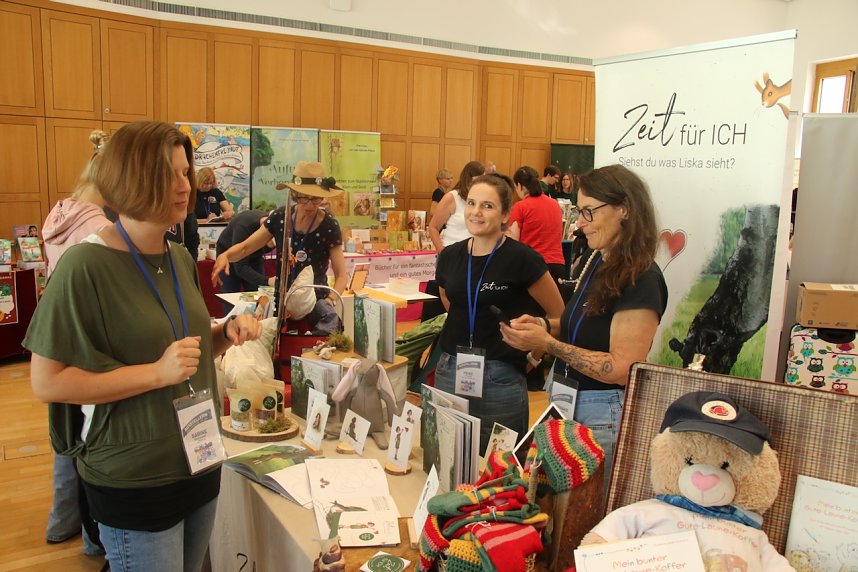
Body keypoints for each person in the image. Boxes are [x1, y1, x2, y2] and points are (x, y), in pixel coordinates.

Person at [23, 121, 262, 572]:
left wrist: (222, 336)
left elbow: (182, 350)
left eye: (184, 172)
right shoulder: (85, 265)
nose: (183, 185)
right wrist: (156, 373)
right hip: (134, 475)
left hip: (198, 461)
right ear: (132, 180)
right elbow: (47, 382)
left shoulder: (179, 257)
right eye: (169, 174)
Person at [500, 164, 668, 495]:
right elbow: (582, 325)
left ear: (624, 210)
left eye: (589, 212)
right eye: (580, 212)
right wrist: (544, 326)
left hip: (600, 412)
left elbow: (620, 368)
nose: (579, 223)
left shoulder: (642, 278)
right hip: (568, 402)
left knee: (583, 513)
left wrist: (547, 343)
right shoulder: (599, 261)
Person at [434, 173, 565, 450]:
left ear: (506, 215)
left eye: (487, 206)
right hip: (450, 368)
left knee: (498, 468)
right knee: (446, 454)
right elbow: (449, 296)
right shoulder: (449, 256)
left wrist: (534, 354)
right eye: (471, 203)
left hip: (500, 376)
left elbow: (559, 317)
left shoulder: (523, 259)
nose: (476, 212)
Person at [40, 129, 111, 556]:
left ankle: (61, 521)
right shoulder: (98, 229)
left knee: (64, 436)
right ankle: (91, 536)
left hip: (59, 339)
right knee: (87, 437)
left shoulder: (62, 211)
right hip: (88, 346)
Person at [212, 161, 346, 333]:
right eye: (305, 198)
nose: (310, 205)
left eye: (316, 199)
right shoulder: (280, 217)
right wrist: (226, 256)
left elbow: (341, 275)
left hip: (314, 302)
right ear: (295, 194)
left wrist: (330, 300)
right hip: (282, 302)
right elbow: (246, 247)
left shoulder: (329, 225)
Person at [508, 166, 566, 286]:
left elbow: (513, 241)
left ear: (520, 186)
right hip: (557, 265)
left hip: (532, 267)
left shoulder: (520, 207)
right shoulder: (555, 205)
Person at [215, 209, 274, 299]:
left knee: (257, 297)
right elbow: (240, 267)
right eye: (269, 238)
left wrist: (269, 246)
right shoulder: (244, 226)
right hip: (228, 258)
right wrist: (268, 281)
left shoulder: (273, 223)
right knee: (231, 298)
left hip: (254, 258)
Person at [428, 161, 485, 251]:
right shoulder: (452, 197)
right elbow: (433, 227)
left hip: (476, 253)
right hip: (453, 252)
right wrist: (443, 253)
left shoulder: (482, 199)